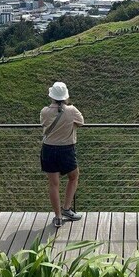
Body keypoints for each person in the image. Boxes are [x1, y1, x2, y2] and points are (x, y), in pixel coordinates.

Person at [40, 82, 84, 228]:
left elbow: (43, 124)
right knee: (74, 176)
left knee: (53, 183)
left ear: (52, 96)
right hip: (66, 149)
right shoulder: (71, 110)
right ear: (65, 96)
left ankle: (58, 217)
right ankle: (66, 208)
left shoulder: (45, 111)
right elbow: (81, 122)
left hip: (48, 149)